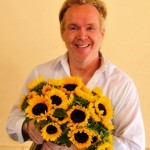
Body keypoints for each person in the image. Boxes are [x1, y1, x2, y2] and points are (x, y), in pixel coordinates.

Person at [6, 0, 145, 149]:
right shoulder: (41, 74)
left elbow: (134, 145)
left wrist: (88, 140)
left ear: (102, 33)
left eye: (90, 28)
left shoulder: (121, 84)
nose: (82, 35)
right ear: (62, 33)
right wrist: (28, 127)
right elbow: (12, 125)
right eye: (73, 28)